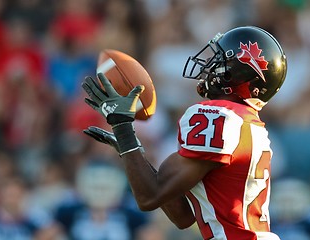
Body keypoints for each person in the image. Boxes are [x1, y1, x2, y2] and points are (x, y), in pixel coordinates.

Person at [82, 26, 287, 240]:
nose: (209, 65)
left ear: (236, 74)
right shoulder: (246, 122)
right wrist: (132, 148)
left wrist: (123, 129)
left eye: (218, 60)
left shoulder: (219, 117)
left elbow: (149, 197)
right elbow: (183, 216)